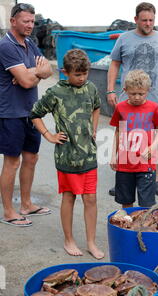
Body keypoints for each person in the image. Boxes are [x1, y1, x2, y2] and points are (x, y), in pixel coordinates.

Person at [30, 49, 104, 260]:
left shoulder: (90, 88)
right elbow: (35, 114)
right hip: (67, 156)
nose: (82, 78)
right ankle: (68, 239)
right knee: (69, 197)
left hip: (88, 155)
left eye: (85, 73)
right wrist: (48, 135)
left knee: (91, 198)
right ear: (65, 72)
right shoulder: (56, 92)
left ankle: (91, 242)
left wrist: (94, 129)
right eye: (77, 75)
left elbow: (97, 107)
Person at [107, 2, 158, 197]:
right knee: (125, 139)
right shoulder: (124, 39)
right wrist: (110, 90)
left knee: (154, 139)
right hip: (127, 101)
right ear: (135, 19)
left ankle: (153, 180)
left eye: (151, 20)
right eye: (144, 20)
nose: (148, 23)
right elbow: (114, 64)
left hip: (156, 100)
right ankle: (123, 179)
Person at [0, 3, 53, 227]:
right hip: (10, 112)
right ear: (13, 21)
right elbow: (24, 81)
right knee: (12, 162)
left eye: (32, 21)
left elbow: (48, 70)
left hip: (31, 112)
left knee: (31, 158)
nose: (30, 25)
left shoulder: (30, 44)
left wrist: (33, 72)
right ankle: (9, 211)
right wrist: (33, 72)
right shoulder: (5, 46)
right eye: (25, 21)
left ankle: (27, 204)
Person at [110, 69, 158, 208]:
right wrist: (113, 155)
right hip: (125, 164)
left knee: (146, 205)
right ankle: (130, 228)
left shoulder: (154, 107)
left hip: (146, 163)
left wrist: (154, 145)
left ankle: (144, 229)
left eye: (142, 93)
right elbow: (117, 132)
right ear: (125, 90)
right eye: (133, 93)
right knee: (126, 202)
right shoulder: (120, 108)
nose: (137, 97)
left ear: (148, 90)